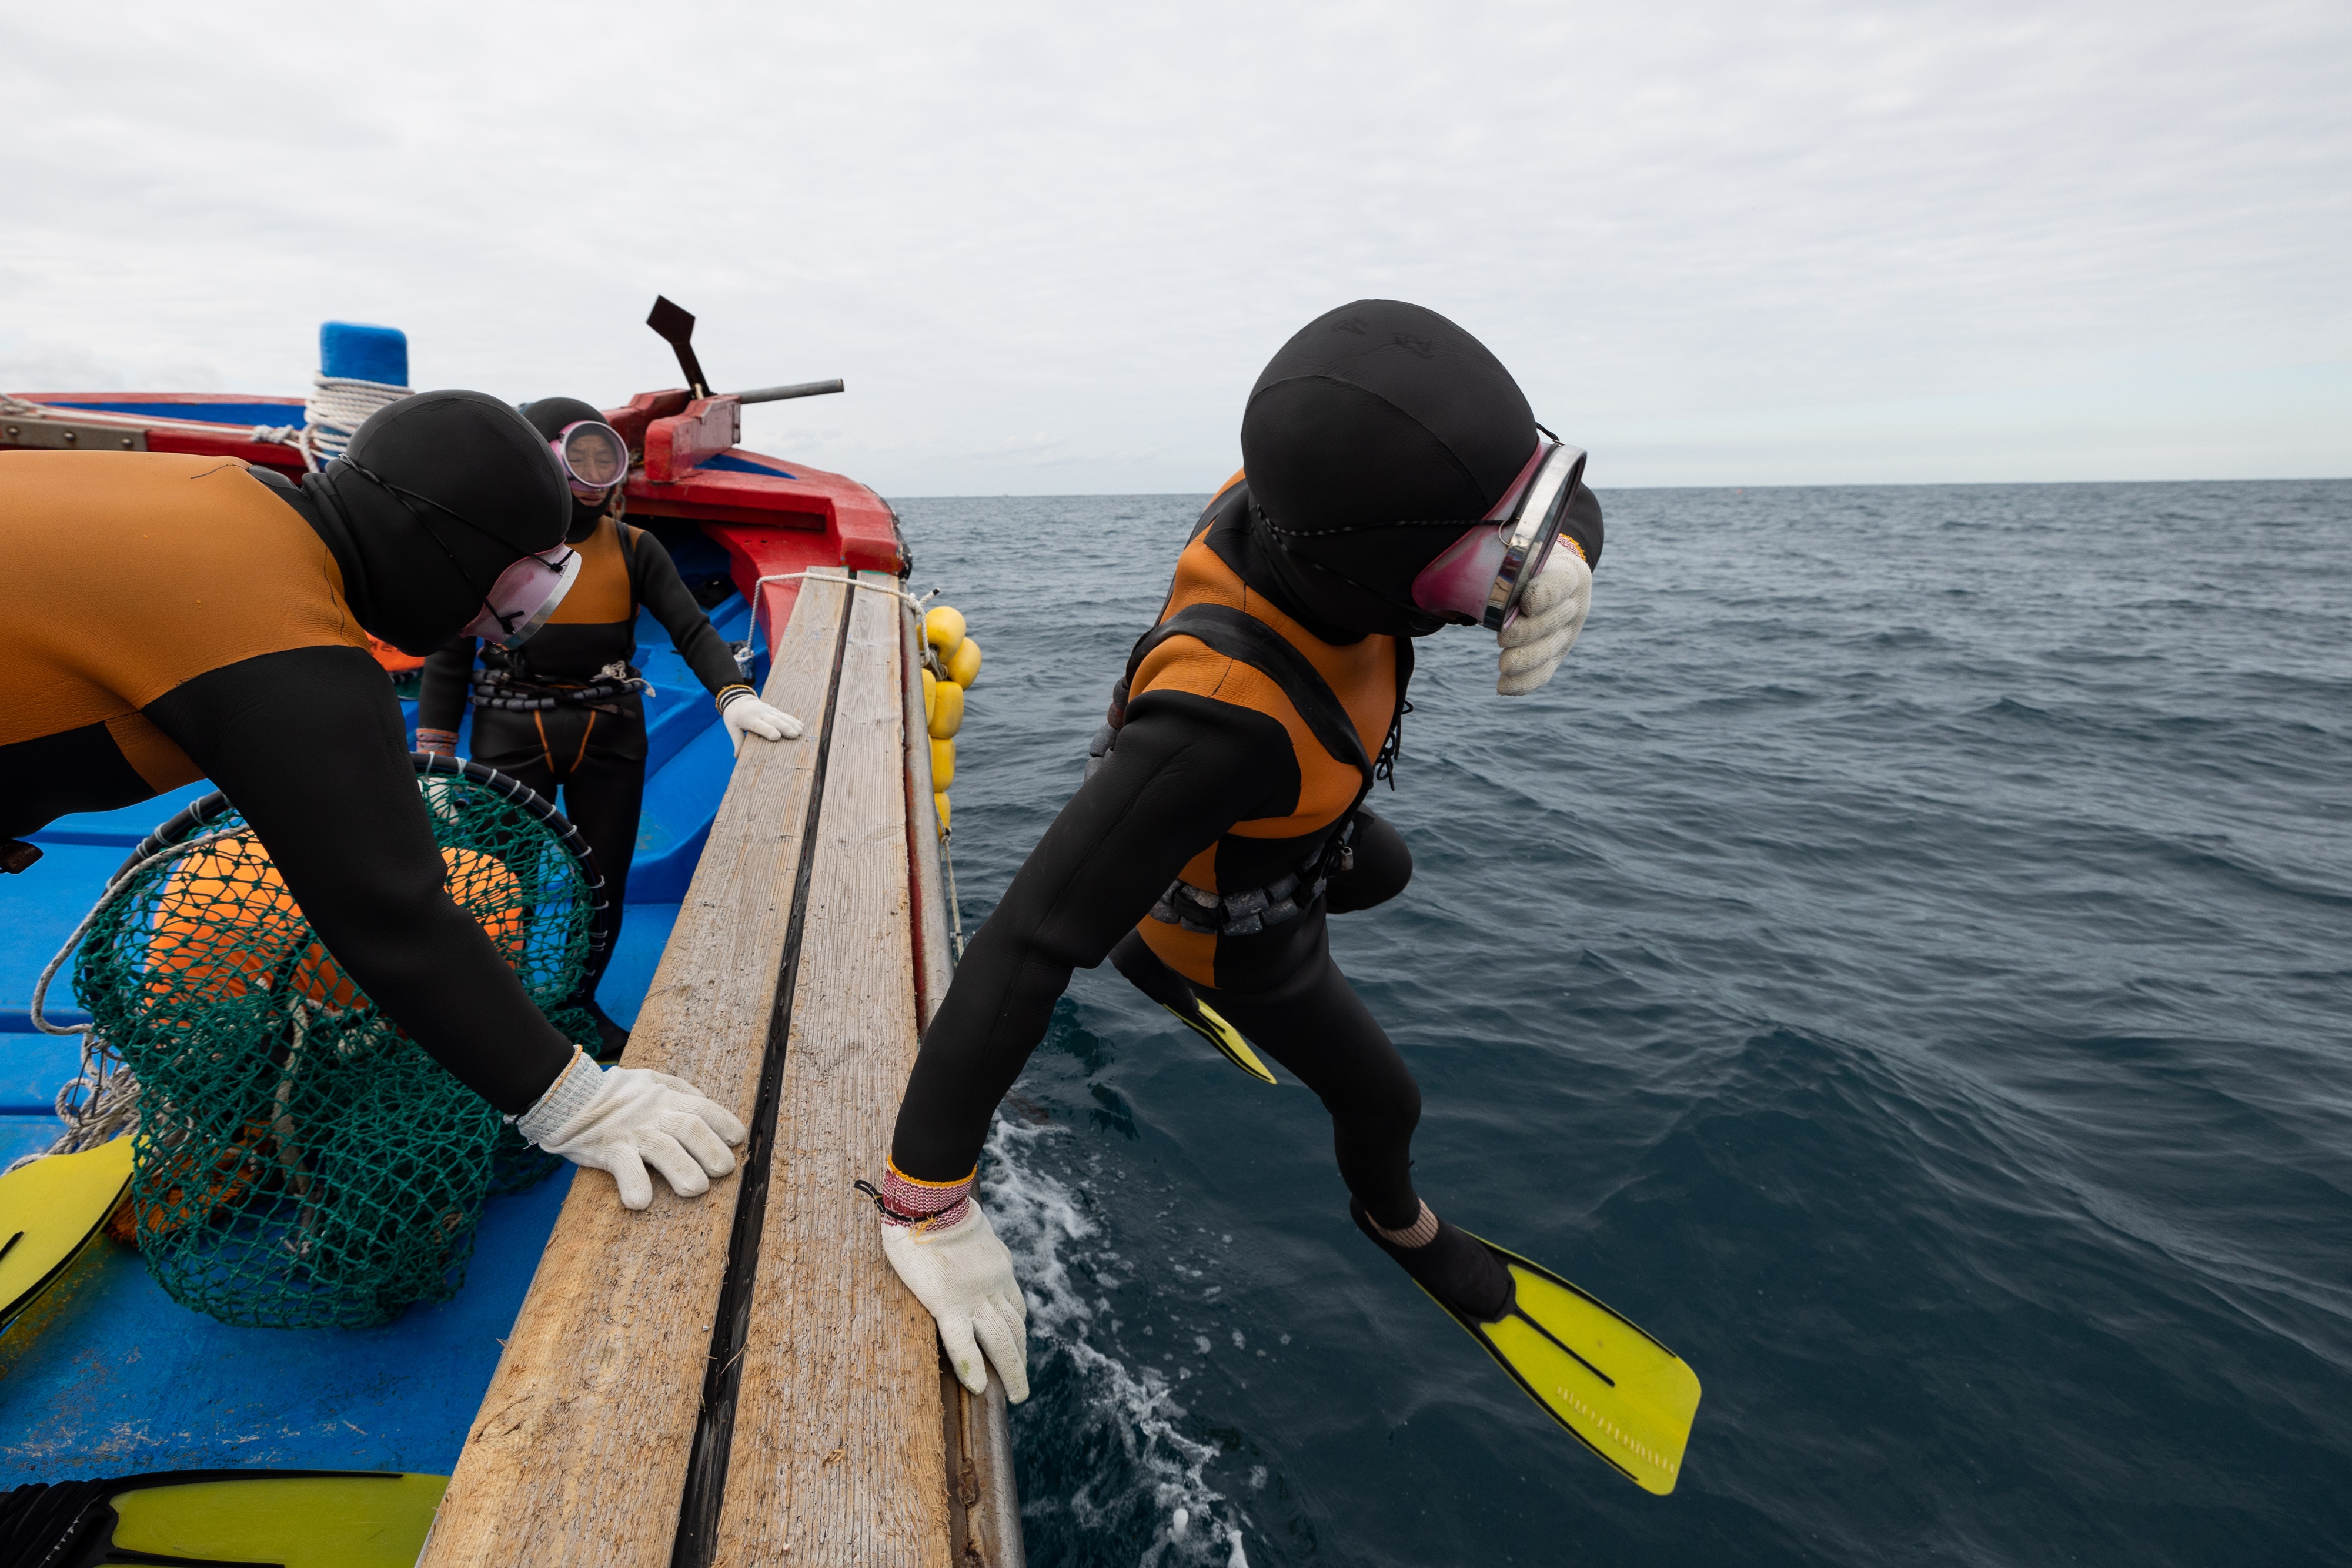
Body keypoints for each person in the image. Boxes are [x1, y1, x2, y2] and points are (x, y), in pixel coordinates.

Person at [871, 299, 1618, 1425]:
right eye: (1492, 569)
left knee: (1391, 866)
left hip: (1277, 832)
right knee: (1386, 1096)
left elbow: (1501, 483)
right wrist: (927, 1201)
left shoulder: (1296, 495)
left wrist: (1566, 546)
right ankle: (1395, 1220)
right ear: (1376, 574)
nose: (1505, 587)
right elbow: (1027, 940)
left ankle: (1163, 947)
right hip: (1239, 932)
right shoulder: (1223, 721)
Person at [1, 390, 756, 1211]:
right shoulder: (292, 650)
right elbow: (391, 913)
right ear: (447, 550)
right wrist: (578, 1100)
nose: (498, 626)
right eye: (514, 588)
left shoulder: (234, 488)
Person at [413, 396, 799, 1054]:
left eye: (603, 461)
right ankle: (501, 1012)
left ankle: (576, 1002)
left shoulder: (633, 547)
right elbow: (450, 653)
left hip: (609, 731)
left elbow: (690, 626)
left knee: (603, 880)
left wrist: (732, 695)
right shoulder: (492, 551)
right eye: (576, 460)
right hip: (511, 728)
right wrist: (437, 754)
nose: (591, 478)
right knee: (499, 880)